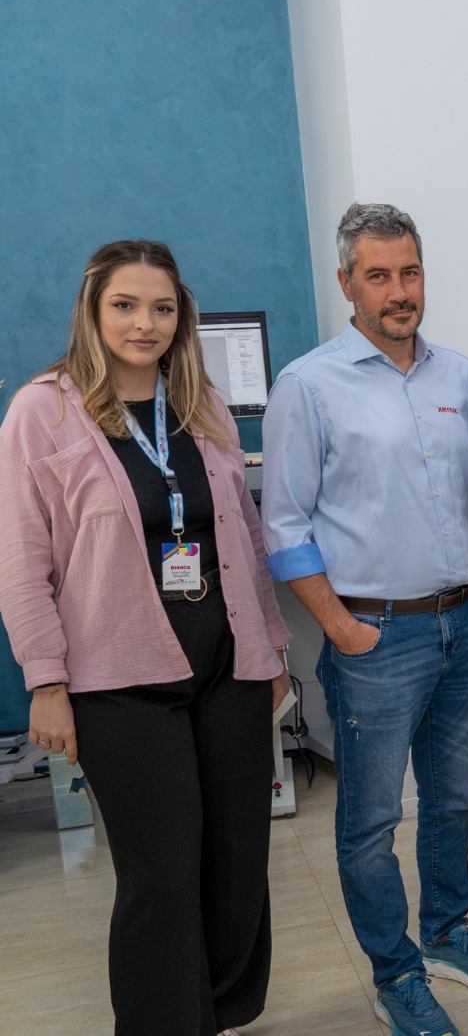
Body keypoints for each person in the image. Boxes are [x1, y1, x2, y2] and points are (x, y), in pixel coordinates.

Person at [0, 240, 290, 1035]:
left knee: (237, 859)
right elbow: (21, 560)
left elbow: (245, 536)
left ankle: (219, 1013)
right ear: (92, 311)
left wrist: (271, 646)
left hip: (227, 663)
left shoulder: (200, 402)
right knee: (161, 872)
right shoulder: (42, 410)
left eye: (162, 308)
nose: (145, 323)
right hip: (117, 679)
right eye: (124, 305)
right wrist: (46, 681)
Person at [262, 203, 468, 1036]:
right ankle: (395, 971)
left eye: (409, 272)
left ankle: (446, 933)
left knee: (454, 799)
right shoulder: (309, 384)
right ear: (347, 284)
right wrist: (340, 629)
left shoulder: (461, 376)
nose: (399, 291)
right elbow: (284, 527)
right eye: (378, 276)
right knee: (372, 821)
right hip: (377, 638)